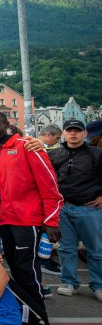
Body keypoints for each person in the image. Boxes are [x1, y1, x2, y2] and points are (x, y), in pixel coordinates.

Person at [0, 110, 62, 325]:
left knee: (28, 273)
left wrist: (51, 221)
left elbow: (50, 186)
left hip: (26, 221)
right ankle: (26, 321)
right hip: (3, 219)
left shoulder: (27, 147)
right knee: (14, 270)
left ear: (6, 125)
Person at [50, 119, 102, 300]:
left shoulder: (97, 154)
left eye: (77, 130)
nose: (73, 133)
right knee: (66, 249)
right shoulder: (55, 154)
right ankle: (69, 282)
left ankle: (99, 285)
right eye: (69, 130)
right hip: (63, 208)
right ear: (63, 132)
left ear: (85, 133)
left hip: (89, 209)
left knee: (96, 249)